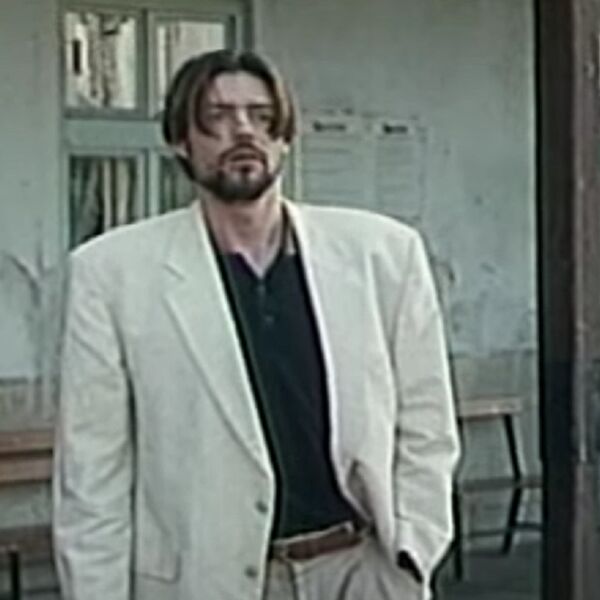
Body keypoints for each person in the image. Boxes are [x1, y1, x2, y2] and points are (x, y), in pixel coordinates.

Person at [53, 49, 460, 600]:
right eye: (217, 117)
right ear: (180, 140)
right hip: (209, 580)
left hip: (361, 567)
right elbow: (92, 472)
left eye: (262, 116)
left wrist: (414, 548)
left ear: (284, 137)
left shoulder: (383, 254)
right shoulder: (114, 273)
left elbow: (427, 419)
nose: (244, 130)